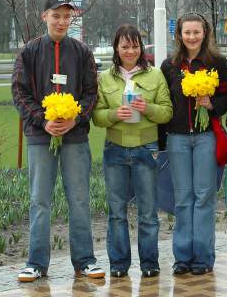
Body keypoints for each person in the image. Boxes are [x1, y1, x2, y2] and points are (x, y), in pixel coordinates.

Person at [11, 0, 105, 282]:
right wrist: (43, 120)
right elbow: (19, 92)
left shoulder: (82, 52)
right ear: (45, 16)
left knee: (78, 198)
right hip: (41, 138)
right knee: (40, 200)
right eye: (56, 15)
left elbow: (91, 93)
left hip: (75, 138)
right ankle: (36, 263)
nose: (62, 21)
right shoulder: (28, 52)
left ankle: (85, 261)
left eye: (67, 16)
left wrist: (76, 117)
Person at [92, 24, 173, 278]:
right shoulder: (105, 78)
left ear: (141, 47)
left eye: (135, 45)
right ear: (117, 47)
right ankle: (118, 265)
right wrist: (115, 114)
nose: (130, 51)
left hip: (146, 149)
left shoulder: (155, 75)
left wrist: (146, 107)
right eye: (125, 46)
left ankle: (149, 264)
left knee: (148, 213)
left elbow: (167, 112)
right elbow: (96, 116)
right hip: (114, 149)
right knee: (116, 212)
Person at [160, 12, 227, 275]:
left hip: (205, 137)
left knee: (204, 196)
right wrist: (160, 143)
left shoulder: (217, 63)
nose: (192, 37)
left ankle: (202, 257)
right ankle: (182, 257)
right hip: (177, 138)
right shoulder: (169, 65)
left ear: (205, 33)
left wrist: (212, 105)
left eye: (196, 32)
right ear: (179, 34)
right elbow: (165, 103)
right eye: (187, 32)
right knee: (182, 198)